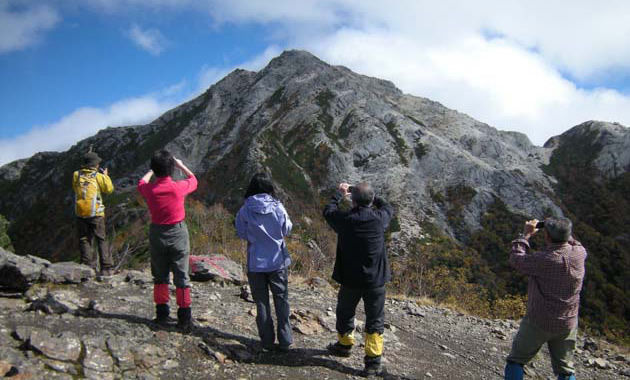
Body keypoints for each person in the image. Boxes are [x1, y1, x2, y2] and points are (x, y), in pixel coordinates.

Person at [323, 182, 394, 376]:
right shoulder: (380, 219)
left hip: (350, 279)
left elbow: (328, 211)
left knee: (345, 312)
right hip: (376, 281)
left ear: (353, 201)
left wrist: (340, 194)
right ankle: (372, 362)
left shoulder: (346, 220)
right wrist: (372, 195)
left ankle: (344, 345)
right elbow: (388, 206)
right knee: (375, 319)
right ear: (371, 201)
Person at [504, 217, 587, 380]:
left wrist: (525, 235)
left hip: (538, 321)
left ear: (547, 236)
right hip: (567, 323)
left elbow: (516, 259)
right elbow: (574, 242)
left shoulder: (545, 260)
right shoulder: (580, 253)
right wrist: (560, 229)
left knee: (516, 361)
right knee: (565, 370)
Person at [137, 150, 198, 331]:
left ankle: (162, 313)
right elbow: (194, 179)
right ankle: (184, 317)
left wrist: (150, 171)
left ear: (155, 170)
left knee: (160, 275)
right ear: (171, 169)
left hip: (157, 233)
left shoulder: (149, 190)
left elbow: (141, 182)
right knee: (182, 276)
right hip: (178, 233)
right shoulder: (178, 187)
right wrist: (180, 165)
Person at [235, 172, 293, 352]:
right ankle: (285, 340)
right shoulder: (278, 207)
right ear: (269, 188)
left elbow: (241, 232)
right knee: (281, 300)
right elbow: (287, 229)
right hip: (277, 262)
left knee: (261, 302)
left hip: (255, 263)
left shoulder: (245, 209)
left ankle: (267, 340)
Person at [72, 151, 115, 276]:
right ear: (95, 165)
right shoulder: (98, 176)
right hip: (96, 212)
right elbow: (109, 189)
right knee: (101, 239)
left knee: (84, 239)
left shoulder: (76, 175)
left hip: (80, 212)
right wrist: (106, 176)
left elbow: (75, 188)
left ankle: (87, 266)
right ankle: (106, 268)